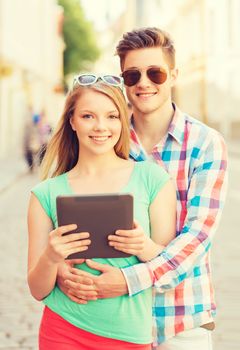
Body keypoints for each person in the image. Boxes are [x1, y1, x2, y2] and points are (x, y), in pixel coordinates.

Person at [56, 28, 228, 350]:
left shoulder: (205, 143)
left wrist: (127, 280)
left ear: (174, 75)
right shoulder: (106, 135)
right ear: (123, 81)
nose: (144, 83)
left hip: (181, 319)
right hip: (111, 321)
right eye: (132, 75)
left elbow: (198, 236)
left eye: (156, 73)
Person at [27, 73, 177, 349]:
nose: (100, 127)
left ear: (123, 121)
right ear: (72, 121)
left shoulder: (153, 180)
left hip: (129, 336)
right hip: (63, 330)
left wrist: (143, 246)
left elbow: (169, 269)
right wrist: (51, 257)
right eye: (87, 116)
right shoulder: (45, 194)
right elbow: (38, 290)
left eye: (111, 116)